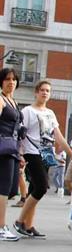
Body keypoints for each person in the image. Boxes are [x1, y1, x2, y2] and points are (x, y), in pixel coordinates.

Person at [14, 80, 72, 239]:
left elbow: (59, 137)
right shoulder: (28, 111)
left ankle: (29, 226)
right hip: (31, 152)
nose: (44, 93)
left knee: (34, 188)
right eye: (42, 90)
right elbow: (21, 134)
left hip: (46, 153)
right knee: (42, 187)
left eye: (47, 91)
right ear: (36, 92)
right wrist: (20, 154)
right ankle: (19, 221)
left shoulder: (50, 113)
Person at [0, 68, 22, 241]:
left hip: (13, 149)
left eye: (14, 79)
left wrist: (21, 153)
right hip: (3, 148)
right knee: (4, 188)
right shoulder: (0, 100)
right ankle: (1, 227)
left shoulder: (13, 101)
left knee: (13, 189)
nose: (11, 82)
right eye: (7, 79)